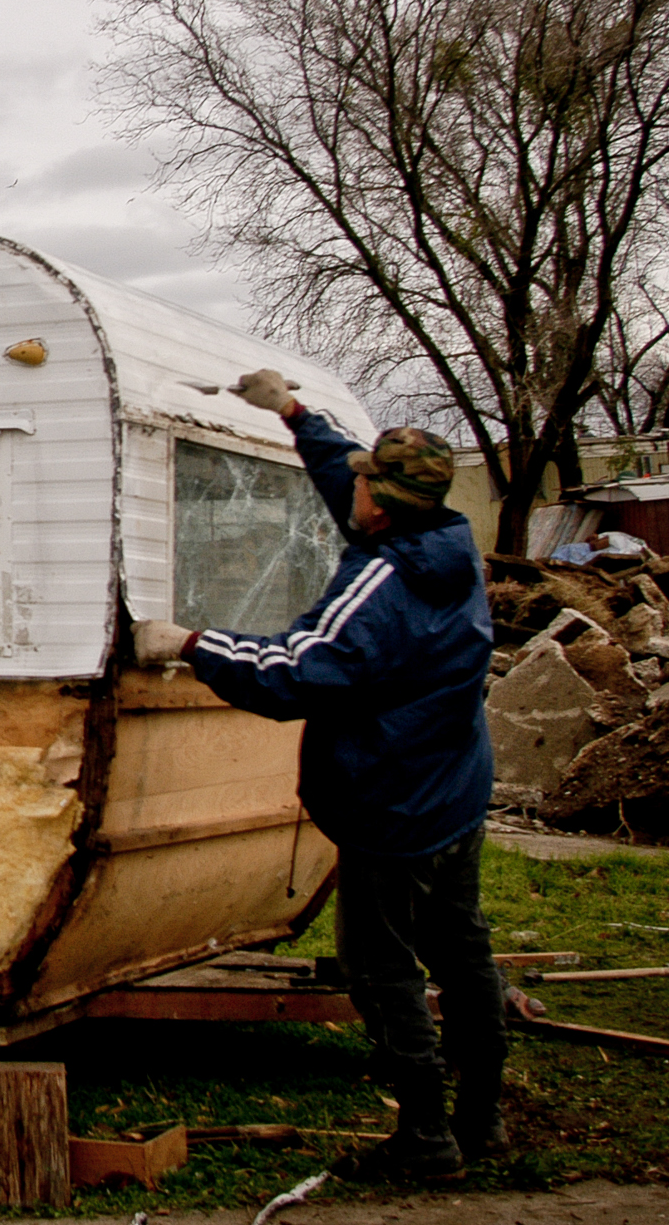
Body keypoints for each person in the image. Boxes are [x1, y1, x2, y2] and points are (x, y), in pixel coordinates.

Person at [130, 369, 508, 1181]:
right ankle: (482, 1118)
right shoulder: (448, 548)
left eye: (366, 482)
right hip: (452, 789)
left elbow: (295, 671)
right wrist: (299, 416)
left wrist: (191, 643)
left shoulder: (383, 586)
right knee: (464, 951)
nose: (353, 488)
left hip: (390, 804)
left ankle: (428, 1140)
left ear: (383, 506)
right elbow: (352, 481)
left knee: (383, 970)